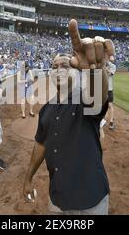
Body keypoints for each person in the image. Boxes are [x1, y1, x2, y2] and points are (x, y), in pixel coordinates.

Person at [23, 19, 113, 215]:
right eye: (55, 66)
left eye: (65, 64)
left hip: (91, 200)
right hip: (58, 199)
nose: (59, 69)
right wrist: (28, 178)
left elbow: (97, 99)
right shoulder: (47, 108)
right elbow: (40, 145)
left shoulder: (85, 98)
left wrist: (95, 69)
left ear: (76, 70)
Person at [105, 61, 117, 130]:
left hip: (109, 88)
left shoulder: (112, 66)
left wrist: (104, 67)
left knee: (110, 105)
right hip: (100, 88)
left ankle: (111, 122)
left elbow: (110, 73)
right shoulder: (99, 63)